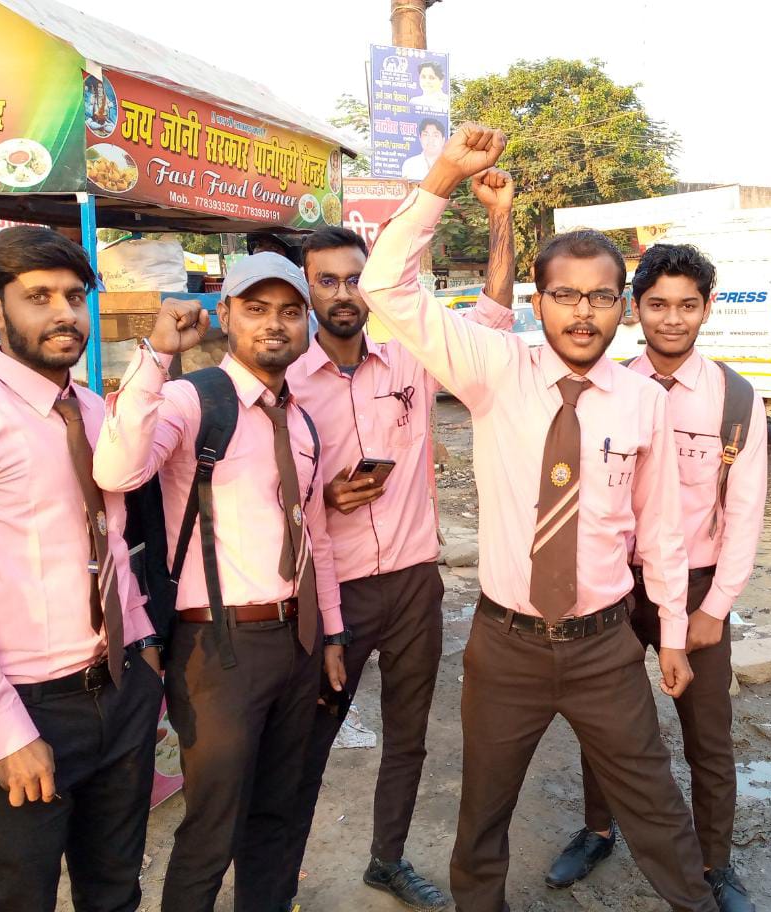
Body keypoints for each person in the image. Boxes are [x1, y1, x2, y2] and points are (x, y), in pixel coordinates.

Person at [360, 121, 718, 912]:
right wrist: (443, 178)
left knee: (657, 808)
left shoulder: (643, 402)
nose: (582, 313)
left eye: (600, 296)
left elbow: (661, 530)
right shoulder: (494, 368)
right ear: (539, 299)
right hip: (506, 648)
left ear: (622, 306)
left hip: (604, 648)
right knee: (482, 814)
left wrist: (670, 633)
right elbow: (385, 287)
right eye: (565, 295)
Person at [279, 170, 518, 910]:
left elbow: (493, 320)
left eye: (355, 279)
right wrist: (323, 495)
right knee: (308, 743)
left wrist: (501, 217)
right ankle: (275, 879)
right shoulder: (286, 383)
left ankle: (387, 860)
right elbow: (258, 494)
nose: (344, 293)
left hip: (415, 584)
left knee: (407, 737)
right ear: (308, 290)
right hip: (335, 592)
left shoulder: (412, 359)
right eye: (327, 281)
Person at [92, 254, 346, 912]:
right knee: (214, 827)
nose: (274, 324)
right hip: (218, 650)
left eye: (289, 312)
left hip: (298, 640)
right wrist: (157, 356)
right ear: (225, 315)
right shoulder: (192, 399)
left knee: (279, 812)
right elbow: (117, 472)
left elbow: (316, 536)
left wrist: (333, 635)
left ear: (307, 324)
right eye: (256, 309)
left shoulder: (300, 419)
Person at [545, 243, 767, 911]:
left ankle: (714, 863)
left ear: (707, 308)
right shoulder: (608, 388)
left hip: (695, 590)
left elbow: (745, 513)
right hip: (615, 588)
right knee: (604, 723)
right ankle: (597, 830)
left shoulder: (734, 398)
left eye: (687, 305)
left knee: (708, 735)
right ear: (634, 309)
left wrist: (715, 607)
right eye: (658, 305)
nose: (673, 319)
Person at [0, 226, 164, 911]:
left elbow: (113, 542)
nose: (64, 314)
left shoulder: (95, 411)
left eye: (75, 297)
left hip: (120, 688)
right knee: (23, 895)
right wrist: (3, 733)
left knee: (115, 888)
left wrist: (143, 650)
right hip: (27, 704)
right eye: (39, 296)